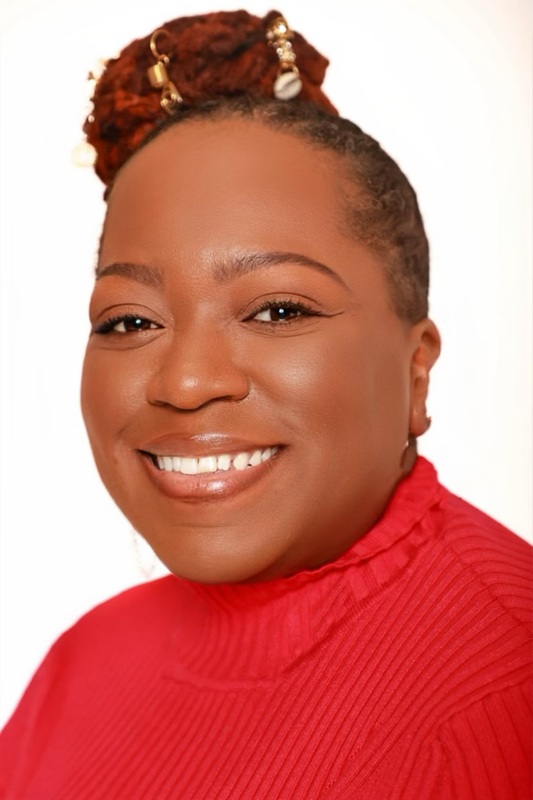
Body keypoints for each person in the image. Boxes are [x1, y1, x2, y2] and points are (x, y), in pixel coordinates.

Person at [0, 9, 530, 799]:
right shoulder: (87, 661)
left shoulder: (506, 689)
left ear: (415, 370)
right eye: (130, 321)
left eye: (278, 310)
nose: (184, 383)